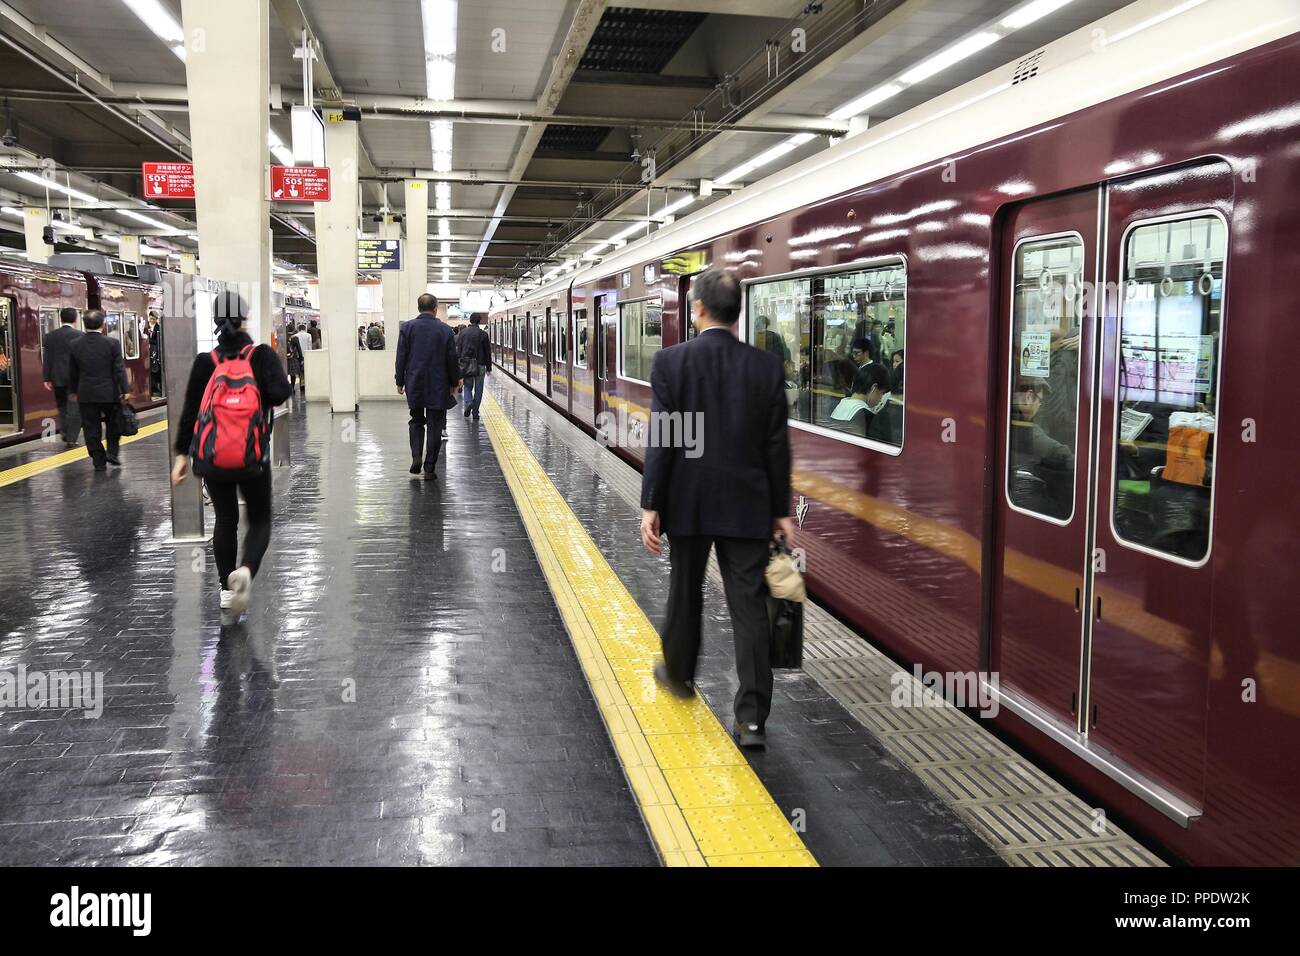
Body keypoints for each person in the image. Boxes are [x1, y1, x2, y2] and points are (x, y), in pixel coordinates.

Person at [640, 267, 792, 750]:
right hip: (748, 506)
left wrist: (652, 504)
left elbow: (664, 440)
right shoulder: (765, 368)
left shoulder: (672, 363)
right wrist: (781, 510)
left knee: (685, 590)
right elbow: (776, 446)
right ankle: (751, 720)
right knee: (749, 609)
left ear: (698, 308)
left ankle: (680, 675)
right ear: (736, 312)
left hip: (688, 501)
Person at [171, 291, 292, 622]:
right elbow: (281, 393)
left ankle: (226, 591)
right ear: (245, 318)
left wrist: (182, 455)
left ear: (214, 321)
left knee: (225, 521)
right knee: (260, 520)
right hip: (252, 457)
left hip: (213, 459)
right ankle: (247, 571)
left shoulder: (205, 361)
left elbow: (191, 412)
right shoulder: (260, 355)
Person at [395, 293, 460, 479]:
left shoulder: (407, 328)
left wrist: (400, 381)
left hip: (414, 382)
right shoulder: (446, 330)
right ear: (435, 308)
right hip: (438, 384)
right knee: (435, 425)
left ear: (418, 308)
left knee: (416, 420)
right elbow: (451, 359)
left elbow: (401, 357)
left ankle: (416, 456)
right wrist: (454, 382)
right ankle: (429, 467)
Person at [68, 309, 129, 470]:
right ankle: (112, 453)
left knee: (90, 427)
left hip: (86, 394)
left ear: (85, 325)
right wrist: (125, 389)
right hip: (109, 393)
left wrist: (73, 391)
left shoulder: (75, 345)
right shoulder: (112, 343)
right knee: (113, 424)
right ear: (102, 325)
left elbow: (72, 371)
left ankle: (98, 460)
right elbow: (119, 369)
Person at [42, 306, 83, 447]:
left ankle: (65, 431)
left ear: (60, 318)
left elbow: (46, 359)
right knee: (75, 408)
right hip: (75, 379)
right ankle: (72, 438)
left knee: (61, 406)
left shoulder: (50, 336)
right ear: (75, 319)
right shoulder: (80, 335)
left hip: (57, 377)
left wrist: (46, 378)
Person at [456, 312, 491, 420]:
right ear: (479, 321)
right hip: (480, 364)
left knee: (467, 386)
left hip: (466, 365)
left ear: (470, 320)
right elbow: (487, 352)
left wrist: (458, 365)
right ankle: (475, 412)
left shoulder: (463, 333)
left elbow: (459, 350)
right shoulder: (483, 334)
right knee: (479, 389)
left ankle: (469, 402)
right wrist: (489, 367)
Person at [286, 321, 306, 395]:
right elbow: (299, 349)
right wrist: (301, 359)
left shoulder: (284, 337)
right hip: (293, 358)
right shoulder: (295, 338)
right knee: (293, 374)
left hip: (285, 358)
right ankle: (292, 388)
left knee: (286, 373)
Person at [146, 311, 163, 396]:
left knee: (155, 370)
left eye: (153, 319)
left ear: (156, 320)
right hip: (147, 352)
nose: (151, 320)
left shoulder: (158, 328)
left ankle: (156, 387)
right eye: (150, 318)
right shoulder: (145, 327)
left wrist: (149, 338)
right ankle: (152, 388)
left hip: (155, 352)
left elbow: (157, 341)